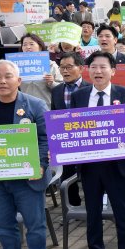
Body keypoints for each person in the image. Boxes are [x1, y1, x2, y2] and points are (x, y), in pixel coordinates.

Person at [71, 52, 125, 249]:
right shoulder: (79, 96)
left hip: (117, 164)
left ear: (113, 71)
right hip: (89, 165)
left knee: (123, 211)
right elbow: (69, 127)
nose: (98, 71)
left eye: (103, 67)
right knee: (93, 212)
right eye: (93, 67)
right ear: (87, 70)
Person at [0, 60, 50, 249]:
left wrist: (40, 164)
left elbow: (47, 139)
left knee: (34, 221)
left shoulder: (35, 105)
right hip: (0, 177)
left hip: (28, 175)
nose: (2, 81)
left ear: (18, 80)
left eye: (7, 76)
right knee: (3, 221)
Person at [50, 51, 92, 206]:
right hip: (66, 140)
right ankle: (74, 208)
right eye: (62, 67)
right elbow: (54, 115)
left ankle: (94, 208)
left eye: (69, 67)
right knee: (67, 175)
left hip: (88, 140)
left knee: (90, 176)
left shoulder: (91, 88)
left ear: (80, 68)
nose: (65, 71)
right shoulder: (56, 90)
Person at [17, 33, 62, 107]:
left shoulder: (51, 65)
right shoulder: (16, 67)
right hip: (24, 107)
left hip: (46, 106)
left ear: (40, 47)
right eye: (24, 45)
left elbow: (62, 88)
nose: (28, 47)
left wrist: (52, 82)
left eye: (31, 44)